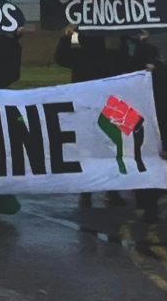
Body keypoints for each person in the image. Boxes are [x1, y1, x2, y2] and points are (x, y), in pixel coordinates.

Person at [56, 24, 130, 208]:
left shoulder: (78, 56)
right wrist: (127, 36)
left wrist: (66, 37)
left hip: (87, 109)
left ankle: (87, 192)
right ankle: (109, 191)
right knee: (109, 149)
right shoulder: (111, 56)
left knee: (88, 151)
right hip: (106, 109)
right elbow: (128, 59)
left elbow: (60, 57)